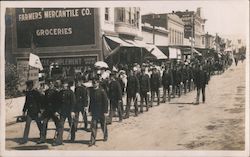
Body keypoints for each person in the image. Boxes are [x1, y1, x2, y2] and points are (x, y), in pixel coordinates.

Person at [53, 81, 76, 146]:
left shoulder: (71, 92)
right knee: (60, 125)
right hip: (63, 112)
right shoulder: (60, 93)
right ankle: (59, 140)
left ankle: (72, 138)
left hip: (69, 111)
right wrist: (57, 111)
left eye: (65, 85)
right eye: (63, 85)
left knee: (71, 125)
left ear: (67, 85)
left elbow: (73, 102)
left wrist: (72, 111)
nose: (63, 86)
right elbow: (58, 103)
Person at [20, 80, 43, 144]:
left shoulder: (36, 93)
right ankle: (25, 139)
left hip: (36, 112)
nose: (28, 87)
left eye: (29, 86)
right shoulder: (28, 93)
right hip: (29, 112)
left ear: (31, 86)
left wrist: (39, 111)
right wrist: (24, 111)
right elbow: (26, 103)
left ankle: (42, 137)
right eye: (27, 86)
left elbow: (39, 103)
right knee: (27, 125)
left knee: (39, 125)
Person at [88, 78, 109, 146]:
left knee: (103, 125)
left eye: (96, 83)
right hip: (94, 112)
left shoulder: (102, 91)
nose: (94, 84)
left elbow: (106, 102)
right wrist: (90, 110)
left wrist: (105, 111)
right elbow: (91, 102)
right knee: (93, 126)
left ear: (98, 83)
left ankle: (105, 135)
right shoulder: (91, 91)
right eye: (93, 83)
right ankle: (92, 140)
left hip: (101, 111)